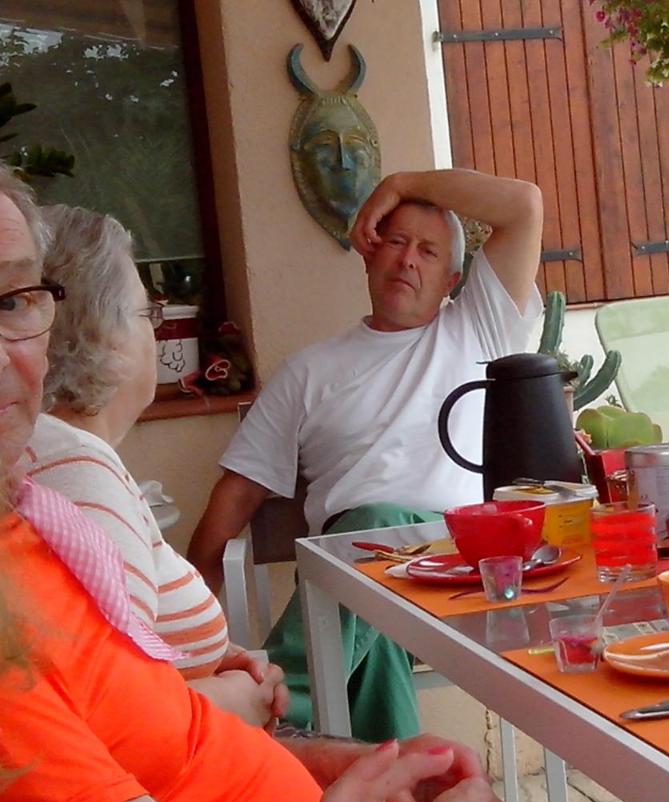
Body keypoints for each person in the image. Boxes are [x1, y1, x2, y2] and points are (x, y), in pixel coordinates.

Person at [0, 163, 487, 802]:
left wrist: (352, 773)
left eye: (14, 301)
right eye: (144, 312)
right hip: (361, 576)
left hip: (455, 562)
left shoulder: (40, 523)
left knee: (374, 604)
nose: (406, 260)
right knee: (373, 547)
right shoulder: (74, 495)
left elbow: (147, 721)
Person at [187, 168, 545, 741]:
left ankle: (275, 702)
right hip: (349, 581)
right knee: (373, 623)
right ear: (370, 256)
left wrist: (399, 184)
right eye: (396, 241)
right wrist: (189, 614)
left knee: (373, 538)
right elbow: (239, 491)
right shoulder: (308, 372)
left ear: (452, 278)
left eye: (428, 251)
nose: (408, 260)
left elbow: (523, 204)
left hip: (459, 568)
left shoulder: (479, 328)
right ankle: (400, 782)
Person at [26, 203, 286, 729]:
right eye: (149, 315)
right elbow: (112, 715)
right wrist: (234, 700)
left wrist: (211, 658)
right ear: (105, 335)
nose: (156, 333)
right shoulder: (78, 473)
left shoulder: (60, 454)